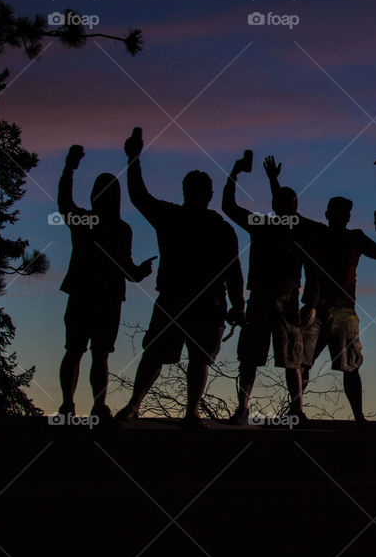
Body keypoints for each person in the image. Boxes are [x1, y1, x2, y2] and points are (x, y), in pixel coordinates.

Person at [114, 128, 244, 427]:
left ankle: (166, 409)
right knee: (166, 356)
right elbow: (233, 272)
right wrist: (238, 305)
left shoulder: (184, 219)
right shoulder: (208, 224)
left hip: (194, 301)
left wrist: (133, 159)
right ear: (207, 194)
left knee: (173, 356)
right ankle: (167, 409)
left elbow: (139, 196)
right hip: (188, 300)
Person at [56, 144, 155, 421]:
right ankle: (89, 406)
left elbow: (64, 203)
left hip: (88, 294)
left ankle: (72, 405)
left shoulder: (90, 222)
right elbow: (127, 269)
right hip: (104, 297)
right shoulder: (118, 228)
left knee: (79, 352)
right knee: (93, 354)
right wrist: (140, 272)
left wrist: (69, 169)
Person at [222, 153, 320, 425]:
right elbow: (229, 206)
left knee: (292, 359)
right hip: (264, 299)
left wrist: (310, 302)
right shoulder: (274, 226)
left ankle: (296, 410)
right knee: (252, 357)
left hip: (285, 301)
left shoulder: (287, 228)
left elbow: (313, 270)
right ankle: (244, 408)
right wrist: (236, 173)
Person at [302, 197, 376, 422]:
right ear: (330, 215)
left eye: (343, 214)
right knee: (304, 362)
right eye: (339, 213)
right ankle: (355, 417)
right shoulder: (327, 235)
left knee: (343, 365)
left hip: (335, 308)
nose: (341, 217)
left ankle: (358, 417)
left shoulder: (345, 237)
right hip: (322, 308)